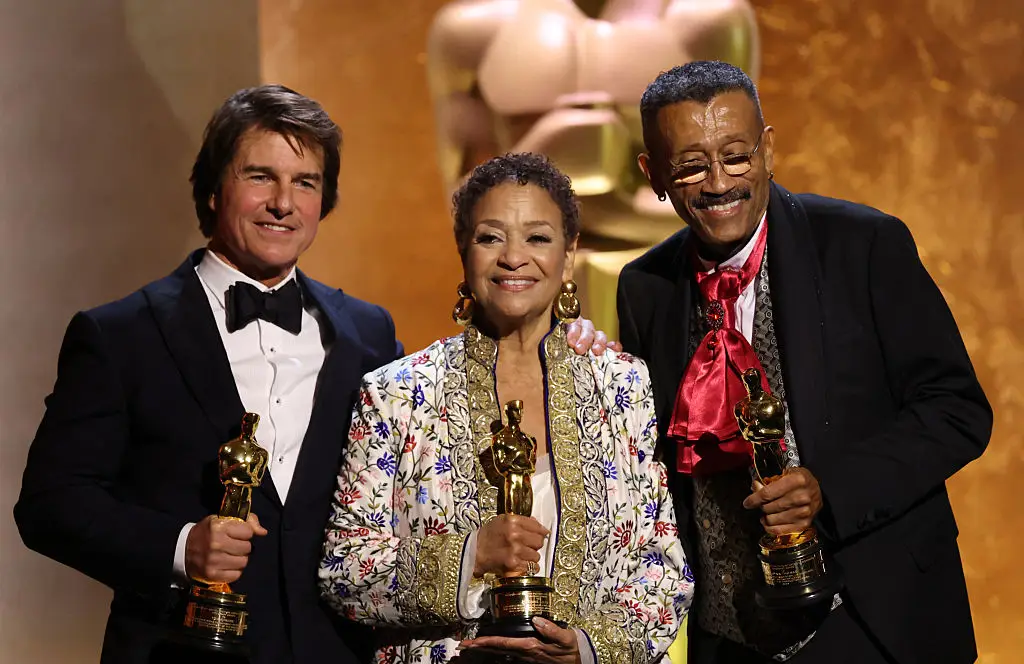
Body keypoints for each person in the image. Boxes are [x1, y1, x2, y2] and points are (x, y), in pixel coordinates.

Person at [14, 85, 610, 664]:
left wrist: (561, 341)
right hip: (178, 648)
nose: (283, 202)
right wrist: (179, 549)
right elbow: (51, 504)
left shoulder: (368, 334)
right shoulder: (121, 334)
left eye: (305, 183)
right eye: (259, 177)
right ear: (214, 189)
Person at [616, 61, 992, 664]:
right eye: (690, 166)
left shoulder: (865, 245)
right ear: (654, 173)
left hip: (874, 619)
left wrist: (831, 491)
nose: (717, 183)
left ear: (767, 150)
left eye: (735, 156)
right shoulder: (644, 288)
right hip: (728, 635)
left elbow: (956, 410)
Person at [319, 152, 694, 663]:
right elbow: (344, 572)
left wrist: (584, 650)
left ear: (569, 255)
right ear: (463, 250)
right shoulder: (395, 394)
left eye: (537, 237)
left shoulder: (623, 388)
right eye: (490, 237)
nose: (513, 257)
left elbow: (663, 569)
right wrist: (470, 556)